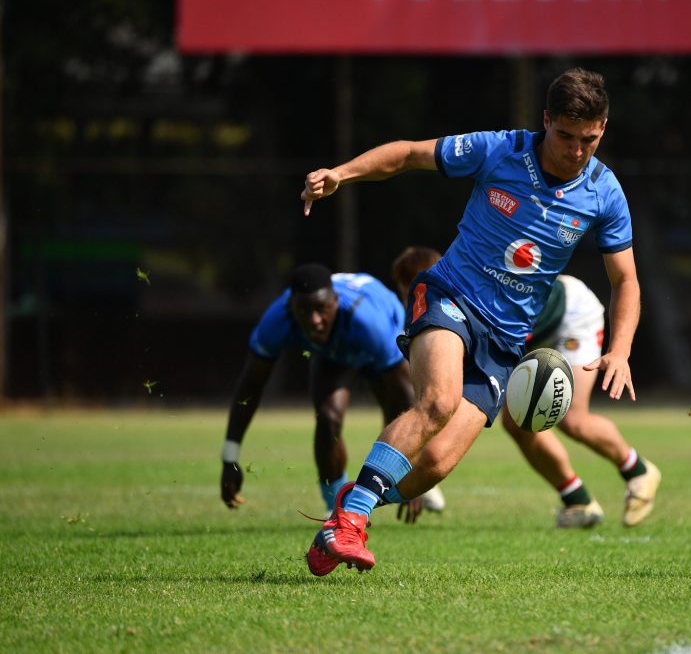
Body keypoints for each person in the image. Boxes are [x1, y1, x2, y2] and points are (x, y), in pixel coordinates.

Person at [300, 67, 641, 574]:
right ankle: (351, 523)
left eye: (587, 140)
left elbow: (626, 281)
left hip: (505, 343)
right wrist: (342, 173)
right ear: (546, 121)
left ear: (603, 129)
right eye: (565, 136)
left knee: (434, 465)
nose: (574, 151)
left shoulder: (605, 193)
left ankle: (353, 503)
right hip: (449, 297)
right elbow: (411, 154)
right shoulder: (500, 149)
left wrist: (621, 349)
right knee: (436, 401)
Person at [392, 247, 661, 529]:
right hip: (529, 334)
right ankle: (578, 500)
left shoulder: (459, 300)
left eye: (407, 291)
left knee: (573, 419)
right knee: (518, 421)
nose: (408, 300)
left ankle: (639, 471)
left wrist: (414, 467)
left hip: (572, 314)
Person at [218, 263, 443, 517]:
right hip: (335, 354)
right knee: (327, 419)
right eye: (305, 310)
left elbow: (404, 399)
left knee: (394, 411)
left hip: (384, 339)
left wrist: (410, 478)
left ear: (335, 301)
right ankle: (336, 507)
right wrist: (230, 456)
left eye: (322, 309)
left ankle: (417, 481)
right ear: (291, 305)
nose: (314, 320)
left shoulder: (370, 323)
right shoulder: (276, 321)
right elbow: (250, 387)